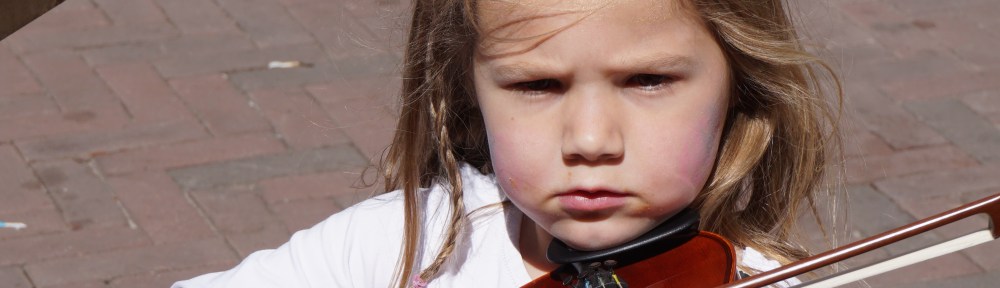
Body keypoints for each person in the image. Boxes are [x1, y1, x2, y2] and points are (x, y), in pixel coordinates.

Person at [174, 0, 841, 287]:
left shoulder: (762, 281)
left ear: (739, 86)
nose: (589, 140)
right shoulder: (403, 249)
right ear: (469, 91)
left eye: (646, 80)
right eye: (536, 86)